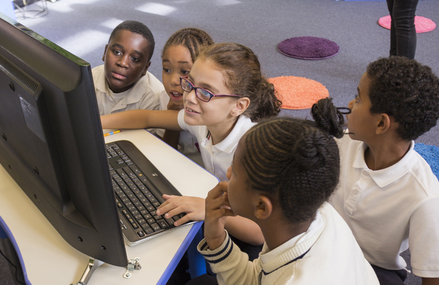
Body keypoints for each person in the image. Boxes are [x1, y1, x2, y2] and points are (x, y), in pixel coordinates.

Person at [101, 42, 282, 257]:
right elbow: (147, 117)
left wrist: (208, 210)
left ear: (239, 106)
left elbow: (260, 233)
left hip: (256, 243)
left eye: (205, 92)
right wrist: (94, 121)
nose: (189, 97)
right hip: (220, 211)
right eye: (190, 83)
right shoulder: (203, 121)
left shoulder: (254, 150)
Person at [196, 101, 379, 285]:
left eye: (234, 171)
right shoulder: (314, 214)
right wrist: (216, 239)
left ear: (261, 207)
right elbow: (257, 279)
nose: (227, 173)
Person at [330, 57, 439, 285]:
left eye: (358, 98)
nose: (350, 103)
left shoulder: (425, 197)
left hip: (376, 269)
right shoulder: (342, 142)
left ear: (381, 124)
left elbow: (433, 277)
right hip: (323, 243)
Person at [157, 28, 214, 153]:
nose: (173, 80)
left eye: (184, 72)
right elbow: (166, 154)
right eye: (167, 69)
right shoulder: (164, 98)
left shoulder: (214, 107)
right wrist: (171, 118)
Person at [92, 20, 163, 116]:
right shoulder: (90, 79)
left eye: (135, 59)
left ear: (145, 68)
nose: (123, 63)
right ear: (105, 52)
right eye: (117, 52)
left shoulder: (155, 99)